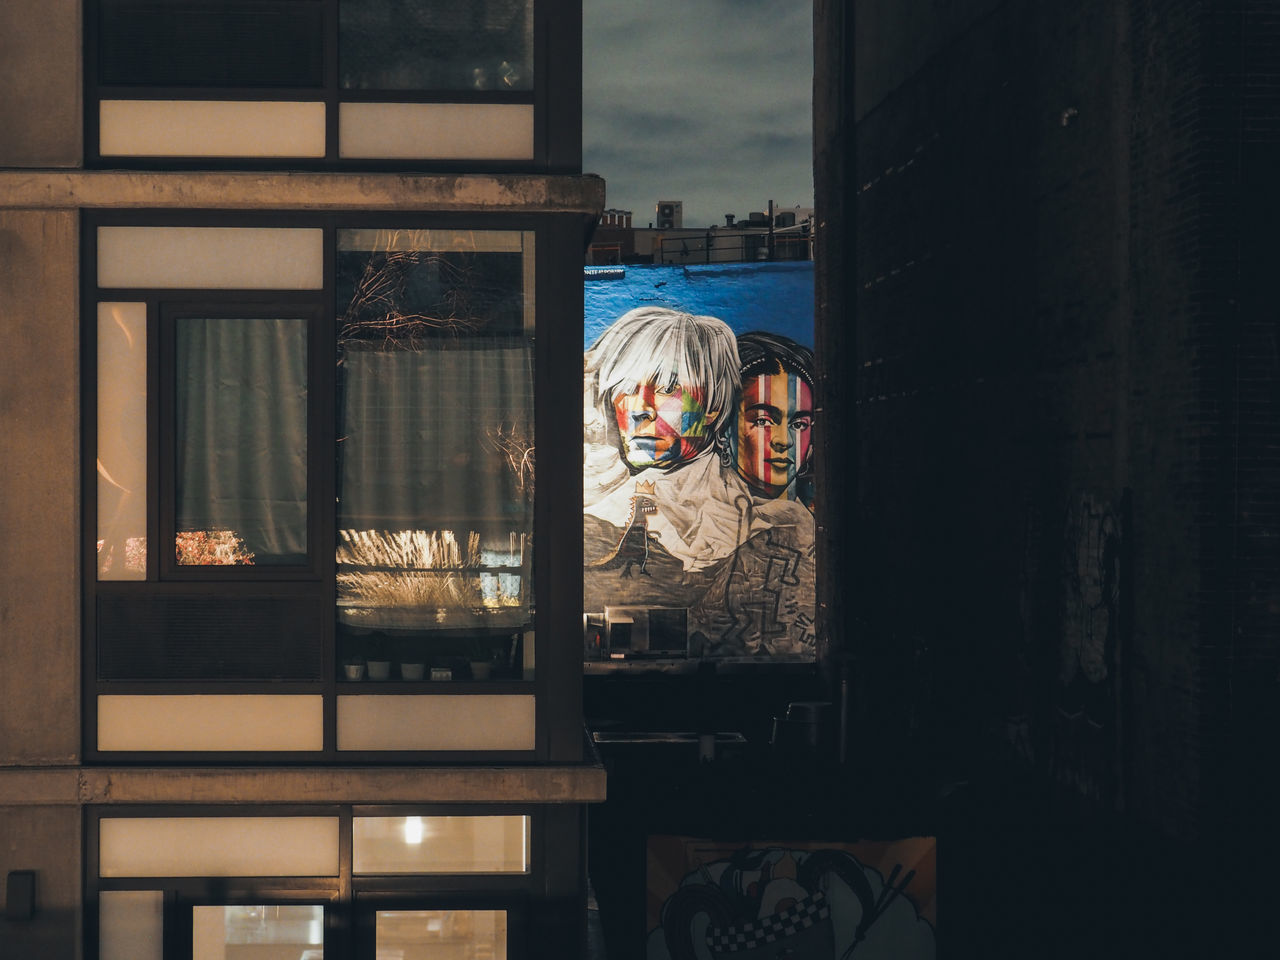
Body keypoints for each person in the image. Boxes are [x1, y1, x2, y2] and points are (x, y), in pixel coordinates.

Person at [583, 307, 747, 573]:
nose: (641, 410)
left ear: (712, 405)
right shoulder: (602, 516)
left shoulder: (764, 518)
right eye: (627, 389)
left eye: (668, 388)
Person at [732, 331, 815, 509]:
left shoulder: (814, 522)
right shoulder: (691, 518)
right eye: (763, 421)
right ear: (723, 424)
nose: (784, 440)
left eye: (799, 424)